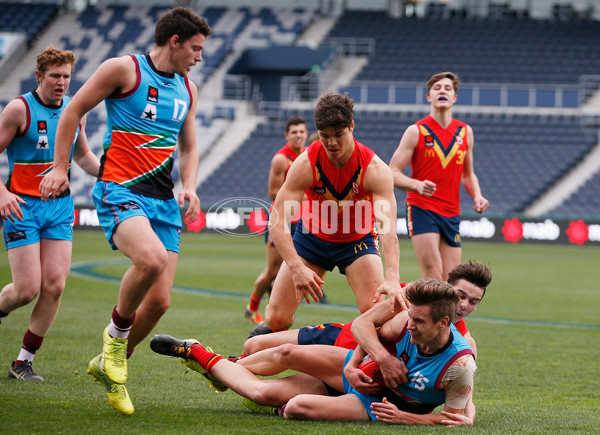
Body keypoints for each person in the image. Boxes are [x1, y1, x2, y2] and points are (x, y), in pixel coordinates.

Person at [39, 7, 212, 414]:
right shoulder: (124, 69)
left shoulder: (188, 89)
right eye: (196, 48)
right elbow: (73, 110)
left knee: (160, 302)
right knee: (150, 261)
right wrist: (60, 168)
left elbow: (188, 147)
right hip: (120, 189)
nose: (199, 57)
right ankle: (114, 346)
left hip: (163, 200)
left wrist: (189, 186)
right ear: (175, 42)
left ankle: (111, 362)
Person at [150, 279, 475, 425]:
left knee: (282, 401)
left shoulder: (458, 364)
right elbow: (367, 328)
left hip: (373, 403)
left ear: (443, 322)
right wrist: (369, 361)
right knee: (285, 352)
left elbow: (457, 420)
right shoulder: (406, 318)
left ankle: (196, 353)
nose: (411, 325)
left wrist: (403, 417)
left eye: (419, 321)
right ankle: (218, 363)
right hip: (355, 369)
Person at [249, 92, 405, 337]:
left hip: (356, 242)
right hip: (311, 240)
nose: (332, 143)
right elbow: (277, 221)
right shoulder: (305, 164)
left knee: (377, 316)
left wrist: (393, 275)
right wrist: (296, 266)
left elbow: (387, 229)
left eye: (339, 135)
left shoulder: (374, 169)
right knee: (277, 319)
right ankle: (257, 352)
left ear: (351, 127)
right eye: (325, 136)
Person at [0, 46, 100, 381]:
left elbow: (83, 155)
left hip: (60, 206)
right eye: (55, 76)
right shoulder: (19, 109)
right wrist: (2, 192)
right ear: (39, 76)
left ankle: (22, 362)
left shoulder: (76, 109)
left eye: (66, 77)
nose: (61, 82)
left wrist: (110, 173)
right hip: (21, 207)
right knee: (26, 289)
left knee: (55, 285)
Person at [245, 261, 490, 363]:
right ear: (448, 288)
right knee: (255, 346)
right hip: (340, 337)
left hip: (351, 368)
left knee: (294, 391)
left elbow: (458, 379)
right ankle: (229, 366)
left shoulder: (463, 342)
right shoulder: (413, 296)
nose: (465, 305)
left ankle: (227, 369)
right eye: (461, 296)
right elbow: (367, 318)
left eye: (473, 301)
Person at [389, 72, 489, 281]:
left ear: (454, 97)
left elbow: (468, 174)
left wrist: (477, 196)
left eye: (447, 88)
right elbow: (392, 172)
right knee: (433, 277)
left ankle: (411, 305)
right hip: (422, 208)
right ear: (428, 97)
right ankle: (402, 307)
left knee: (452, 281)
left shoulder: (465, 132)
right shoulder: (416, 131)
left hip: (451, 212)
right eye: (437, 88)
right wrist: (416, 185)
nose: (442, 91)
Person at [244, 117, 309, 325]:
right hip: (281, 219)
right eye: (294, 132)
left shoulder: (309, 155)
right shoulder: (281, 159)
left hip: (301, 220)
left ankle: (278, 308)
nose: (299, 135)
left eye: (302, 131)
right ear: (287, 135)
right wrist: (302, 196)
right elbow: (272, 192)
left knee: (293, 267)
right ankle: (252, 307)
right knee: (273, 270)